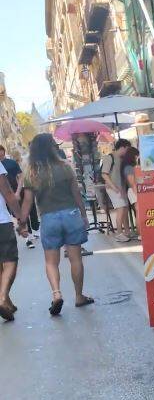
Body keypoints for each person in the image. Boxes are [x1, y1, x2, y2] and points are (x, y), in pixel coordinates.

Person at [20, 134, 94, 317]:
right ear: (53, 147)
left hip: (49, 219)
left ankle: (56, 294)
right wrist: (84, 215)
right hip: (71, 215)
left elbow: (27, 202)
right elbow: (76, 193)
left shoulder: (31, 172)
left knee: (51, 262)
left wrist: (22, 223)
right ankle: (78, 296)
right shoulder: (65, 166)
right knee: (75, 258)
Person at [0, 159, 27, 321]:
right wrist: (20, 219)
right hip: (1, 223)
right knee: (10, 262)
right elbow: (8, 193)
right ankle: (2, 298)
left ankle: (7, 302)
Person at [0, 145, 37, 250]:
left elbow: (20, 177)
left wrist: (17, 192)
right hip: (4, 197)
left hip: (14, 192)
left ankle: (27, 237)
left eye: (1, 150)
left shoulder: (11, 163)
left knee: (21, 214)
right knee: (12, 216)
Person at [102, 139, 131, 243]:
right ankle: (119, 233)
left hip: (121, 188)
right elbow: (104, 174)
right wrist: (114, 187)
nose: (127, 151)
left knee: (125, 209)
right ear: (122, 147)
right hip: (113, 188)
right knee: (121, 209)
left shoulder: (122, 159)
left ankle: (126, 232)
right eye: (127, 149)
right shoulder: (109, 157)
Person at [121, 145, 140, 238]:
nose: (137, 158)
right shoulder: (129, 167)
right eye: (136, 156)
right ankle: (140, 233)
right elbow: (132, 182)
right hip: (133, 191)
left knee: (138, 212)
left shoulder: (129, 166)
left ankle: (140, 232)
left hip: (133, 190)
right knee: (139, 212)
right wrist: (137, 194)